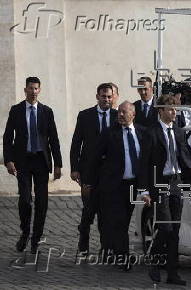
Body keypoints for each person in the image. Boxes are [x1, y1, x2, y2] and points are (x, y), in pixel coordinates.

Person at [81, 101, 148, 271]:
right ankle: (123, 257)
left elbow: (147, 160)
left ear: (133, 114)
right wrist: (88, 181)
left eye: (124, 112)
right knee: (119, 220)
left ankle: (114, 249)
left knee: (124, 221)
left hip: (134, 184)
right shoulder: (109, 133)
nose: (120, 115)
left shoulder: (142, 133)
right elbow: (95, 158)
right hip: (114, 185)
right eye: (119, 112)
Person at [142, 95, 191, 286]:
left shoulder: (179, 132)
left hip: (176, 182)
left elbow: (185, 159)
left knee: (175, 230)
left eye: (176, 109)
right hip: (160, 183)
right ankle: (153, 260)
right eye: (170, 109)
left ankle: (172, 273)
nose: (174, 113)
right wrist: (144, 191)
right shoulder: (152, 133)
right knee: (165, 227)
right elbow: (143, 164)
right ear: (161, 111)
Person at [3, 77, 62, 254]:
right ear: (25, 90)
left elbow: (54, 139)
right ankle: (25, 232)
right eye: (30, 88)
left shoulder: (46, 111)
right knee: (25, 200)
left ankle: (36, 238)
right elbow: (7, 138)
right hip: (23, 161)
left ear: (39, 90)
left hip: (41, 161)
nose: (33, 91)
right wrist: (8, 160)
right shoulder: (16, 110)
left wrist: (58, 164)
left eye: (36, 88)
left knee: (42, 202)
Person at [70, 83, 118, 253]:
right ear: (97, 96)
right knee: (89, 209)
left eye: (109, 96)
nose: (106, 99)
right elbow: (76, 143)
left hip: (109, 173)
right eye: (103, 96)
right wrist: (74, 168)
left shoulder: (117, 116)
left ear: (113, 98)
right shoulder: (85, 116)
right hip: (88, 171)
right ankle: (83, 240)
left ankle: (105, 248)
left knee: (106, 212)